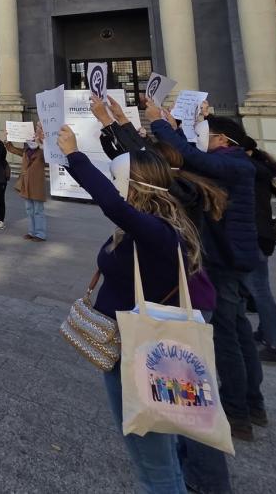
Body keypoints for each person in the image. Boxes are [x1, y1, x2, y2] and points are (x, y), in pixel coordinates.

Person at [58, 124, 202, 494]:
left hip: (141, 356)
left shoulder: (156, 232)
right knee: (160, 456)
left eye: (117, 179)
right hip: (134, 347)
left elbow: (112, 204)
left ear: (132, 188)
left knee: (154, 469)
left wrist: (74, 154)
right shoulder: (160, 225)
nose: (113, 185)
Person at [146, 98, 264, 443]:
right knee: (238, 327)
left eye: (208, 135)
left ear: (225, 141)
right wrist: (181, 123)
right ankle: (251, 403)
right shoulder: (232, 163)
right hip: (231, 257)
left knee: (226, 336)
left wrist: (160, 124)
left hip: (223, 260)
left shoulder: (233, 165)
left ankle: (238, 412)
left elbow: (192, 158)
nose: (203, 140)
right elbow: (192, 156)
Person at [242, 139, 276, 364]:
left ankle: (273, 345)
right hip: (263, 236)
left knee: (259, 290)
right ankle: (264, 333)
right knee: (261, 288)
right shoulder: (262, 168)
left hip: (254, 236)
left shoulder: (251, 171)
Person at [7, 124, 48, 241]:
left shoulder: (41, 152)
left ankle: (40, 234)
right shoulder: (26, 151)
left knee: (38, 211)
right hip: (26, 185)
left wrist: (42, 142)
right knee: (29, 210)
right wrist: (7, 139)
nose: (34, 136)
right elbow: (12, 149)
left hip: (37, 186)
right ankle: (31, 232)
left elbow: (48, 157)